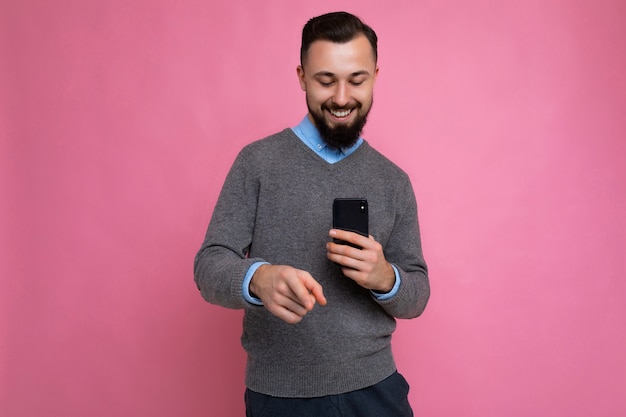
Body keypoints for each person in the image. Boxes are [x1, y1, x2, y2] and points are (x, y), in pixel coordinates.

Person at [194, 11, 430, 417]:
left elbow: (418, 295)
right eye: (325, 81)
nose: (341, 98)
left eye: (356, 80)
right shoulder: (257, 163)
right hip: (278, 398)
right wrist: (258, 278)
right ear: (302, 77)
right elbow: (209, 265)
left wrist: (384, 277)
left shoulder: (394, 181)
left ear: (375, 75)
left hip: (377, 394)